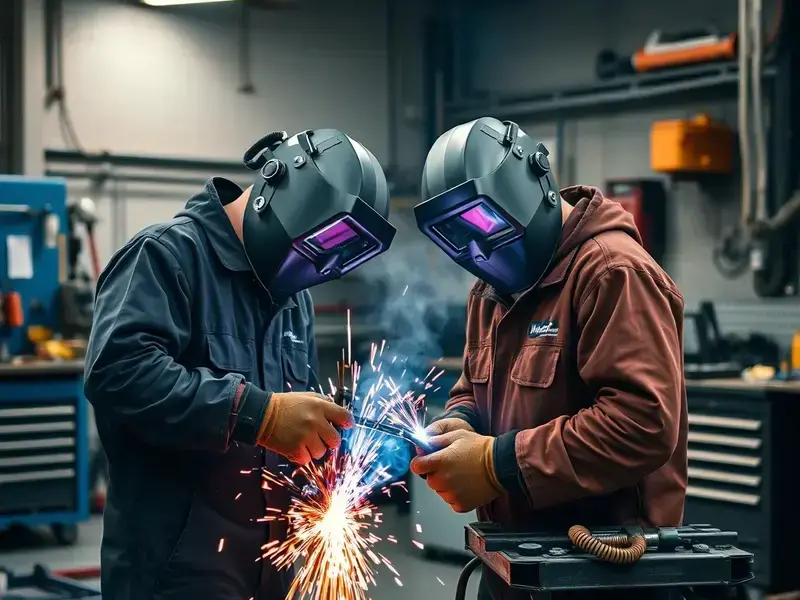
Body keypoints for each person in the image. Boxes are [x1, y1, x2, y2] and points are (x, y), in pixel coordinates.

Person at [84, 129, 396, 600]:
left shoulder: (292, 297)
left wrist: (324, 450)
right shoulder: (166, 256)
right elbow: (118, 372)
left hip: (269, 570)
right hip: (176, 574)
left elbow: (293, 415)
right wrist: (258, 414)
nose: (316, 269)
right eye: (315, 248)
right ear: (276, 193)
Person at [410, 117, 687, 600]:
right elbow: (473, 389)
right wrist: (460, 424)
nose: (477, 250)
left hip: (604, 573)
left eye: (483, 225)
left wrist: (496, 464)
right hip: (514, 564)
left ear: (530, 187)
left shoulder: (611, 272)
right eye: (456, 237)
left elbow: (642, 423)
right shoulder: (491, 290)